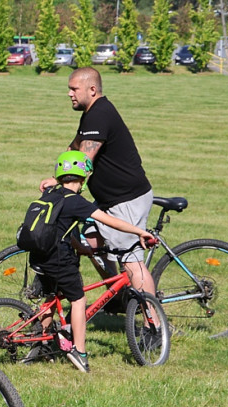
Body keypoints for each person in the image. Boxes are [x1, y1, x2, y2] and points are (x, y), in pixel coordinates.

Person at [29, 151, 153, 372]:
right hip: (60, 260)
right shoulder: (76, 202)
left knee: (51, 297)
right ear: (83, 178)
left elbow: (64, 229)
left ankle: (41, 342)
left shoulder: (53, 194)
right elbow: (111, 221)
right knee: (78, 300)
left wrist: (82, 249)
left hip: (41, 255)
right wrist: (139, 232)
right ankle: (79, 351)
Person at [40, 66, 155, 298]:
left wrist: (60, 182)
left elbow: (83, 160)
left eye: (74, 89)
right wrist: (59, 172)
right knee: (90, 243)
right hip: (108, 200)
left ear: (92, 89)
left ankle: (153, 326)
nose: (69, 94)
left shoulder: (100, 114)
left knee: (131, 261)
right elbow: (74, 147)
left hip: (126, 199)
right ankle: (117, 298)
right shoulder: (92, 113)